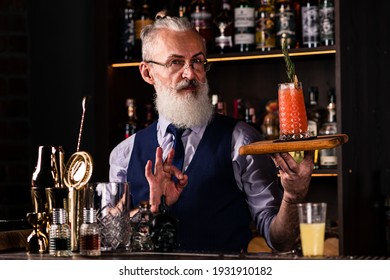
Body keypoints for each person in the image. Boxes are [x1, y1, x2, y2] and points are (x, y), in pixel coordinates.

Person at [109, 15, 314, 253]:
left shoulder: (243, 141)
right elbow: (110, 243)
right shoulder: (124, 154)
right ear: (147, 73)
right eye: (176, 62)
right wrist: (151, 209)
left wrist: (293, 196)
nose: (190, 74)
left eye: (197, 61)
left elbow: (280, 241)